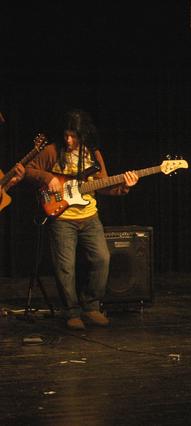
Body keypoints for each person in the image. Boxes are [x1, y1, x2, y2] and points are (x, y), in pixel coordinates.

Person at [24, 109, 139, 330]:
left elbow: (104, 186)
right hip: (62, 218)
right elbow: (27, 170)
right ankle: (71, 312)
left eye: (74, 136)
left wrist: (124, 186)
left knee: (102, 259)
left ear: (83, 135)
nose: (68, 140)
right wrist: (47, 178)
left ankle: (91, 306)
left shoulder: (93, 155)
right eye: (66, 135)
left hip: (89, 217)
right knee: (65, 267)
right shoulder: (52, 151)